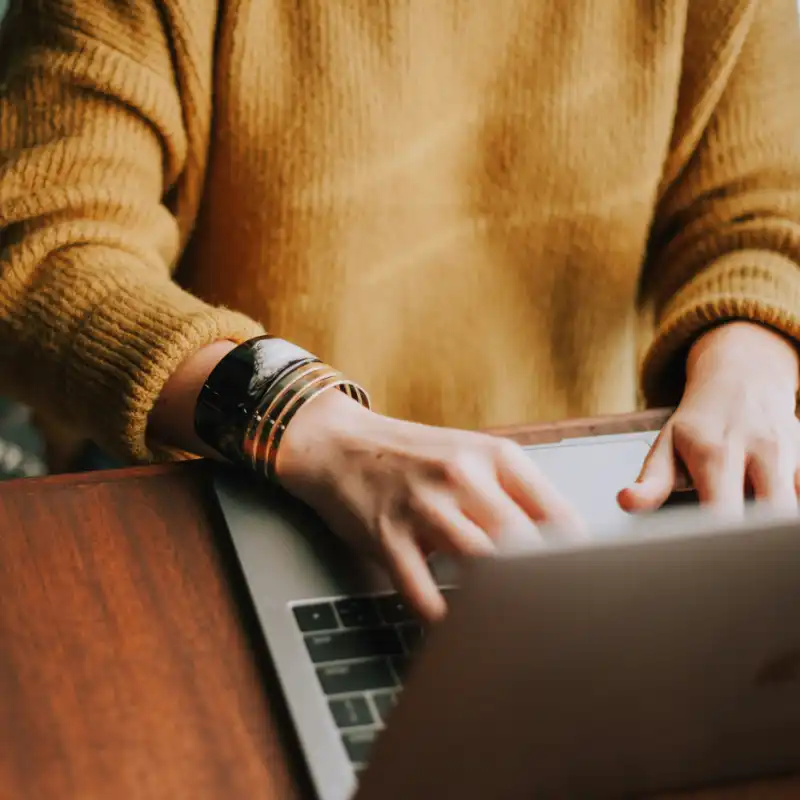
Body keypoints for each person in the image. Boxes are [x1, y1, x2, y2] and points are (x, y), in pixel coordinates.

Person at [1, 0, 799, 620]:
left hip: (586, 508)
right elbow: (45, 246)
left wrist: (750, 362)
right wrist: (312, 427)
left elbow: (763, 210)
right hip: (237, 494)